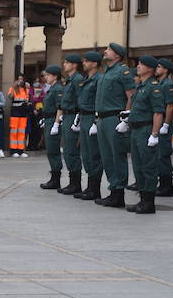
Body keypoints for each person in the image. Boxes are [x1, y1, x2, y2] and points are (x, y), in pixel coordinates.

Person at [94, 43, 136, 208]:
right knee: (106, 157)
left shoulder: (123, 71)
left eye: (109, 50)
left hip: (114, 118)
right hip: (103, 119)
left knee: (116, 155)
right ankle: (113, 190)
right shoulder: (106, 72)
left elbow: (130, 96)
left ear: (117, 55)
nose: (105, 51)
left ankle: (119, 193)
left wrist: (125, 119)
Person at [125, 56, 167, 215]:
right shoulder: (140, 86)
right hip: (136, 130)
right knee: (138, 166)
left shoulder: (153, 87)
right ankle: (142, 199)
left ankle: (149, 202)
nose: (138, 66)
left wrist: (154, 134)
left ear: (150, 68)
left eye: (141, 64)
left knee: (148, 166)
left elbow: (158, 112)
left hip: (146, 129)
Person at [75, 51, 104, 201]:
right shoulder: (87, 79)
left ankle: (95, 188)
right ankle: (89, 186)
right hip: (84, 116)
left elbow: (99, 101)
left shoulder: (99, 79)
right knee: (86, 154)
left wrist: (96, 121)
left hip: (93, 117)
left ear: (94, 63)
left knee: (94, 154)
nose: (83, 63)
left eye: (86, 61)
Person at [54, 54, 83, 195]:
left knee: (72, 149)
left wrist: (78, 117)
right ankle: (72, 182)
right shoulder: (69, 80)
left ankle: (76, 183)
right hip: (66, 115)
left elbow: (80, 99)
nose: (64, 64)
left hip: (73, 115)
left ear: (74, 65)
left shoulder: (77, 79)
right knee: (67, 150)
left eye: (67, 62)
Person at [151, 58, 173, 196]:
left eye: (159, 67)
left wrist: (166, 124)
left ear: (166, 70)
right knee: (158, 154)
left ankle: (167, 186)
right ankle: (162, 183)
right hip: (158, 123)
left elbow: (170, 106)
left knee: (163, 154)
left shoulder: (168, 84)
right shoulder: (159, 83)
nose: (157, 69)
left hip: (164, 124)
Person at [39, 65, 66, 189]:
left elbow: (60, 107)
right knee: (50, 149)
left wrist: (56, 124)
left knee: (53, 150)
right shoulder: (52, 88)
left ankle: (56, 179)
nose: (46, 77)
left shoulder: (58, 89)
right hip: (49, 119)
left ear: (55, 76)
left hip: (54, 120)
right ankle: (54, 177)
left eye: (48, 75)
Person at [7, 76, 30, 156]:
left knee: (21, 131)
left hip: (23, 112)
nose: (20, 81)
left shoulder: (25, 89)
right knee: (14, 131)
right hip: (15, 112)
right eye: (18, 79)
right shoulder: (12, 88)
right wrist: (14, 86)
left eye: (21, 79)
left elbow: (27, 99)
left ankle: (21, 150)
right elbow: (10, 96)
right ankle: (13, 150)